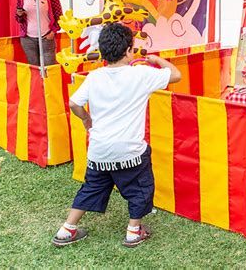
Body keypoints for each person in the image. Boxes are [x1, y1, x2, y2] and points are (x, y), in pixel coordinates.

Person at [52, 23, 181, 248]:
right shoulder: (141, 73)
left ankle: (66, 230)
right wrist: (157, 61)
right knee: (140, 188)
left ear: (103, 51)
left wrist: (86, 118)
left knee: (91, 187)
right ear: (129, 51)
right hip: (130, 152)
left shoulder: (94, 77)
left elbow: (74, 103)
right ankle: (133, 231)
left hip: (99, 152)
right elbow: (176, 75)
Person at [15, 0, 63, 66]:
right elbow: (18, 18)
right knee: (34, 68)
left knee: (49, 67)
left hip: (47, 36)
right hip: (28, 38)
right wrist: (19, 15)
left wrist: (53, 31)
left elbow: (59, 16)